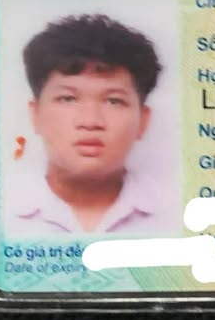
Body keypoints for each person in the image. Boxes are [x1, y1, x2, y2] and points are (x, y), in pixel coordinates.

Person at [11, 13, 171, 235]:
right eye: (68, 99)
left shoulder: (176, 214)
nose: (90, 121)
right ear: (35, 114)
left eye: (114, 101)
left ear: (143, 121)